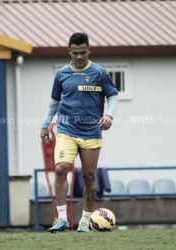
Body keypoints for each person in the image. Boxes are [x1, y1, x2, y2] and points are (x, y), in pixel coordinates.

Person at [40, 33, 118, 233]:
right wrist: (44, 125)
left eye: (83, 52)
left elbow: (113, 96)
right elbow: (54, 103)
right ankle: (61, 219)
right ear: (69, 52)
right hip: (66, 129)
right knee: (61, 169)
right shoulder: (62, 74)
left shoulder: (100, 73)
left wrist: (109, 115)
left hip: (92, 131)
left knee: (89, 177)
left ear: (89, 50)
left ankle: (85, 220)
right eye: (75, 53)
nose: (79, 56)